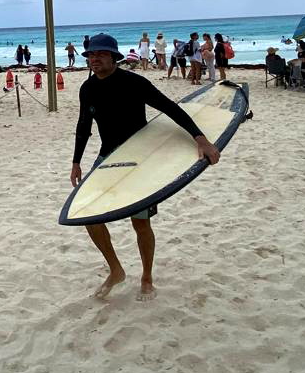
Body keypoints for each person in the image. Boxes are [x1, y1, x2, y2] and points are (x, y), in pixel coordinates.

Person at [70, 33, 220, 301]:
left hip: (140, 159)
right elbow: (84, 126)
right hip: (107, 157)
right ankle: (116, 270)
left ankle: (147, 276)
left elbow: (170, 108)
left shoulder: (134, 83)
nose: (95, 59)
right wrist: (76, 161)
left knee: (140, 223)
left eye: (101, 54)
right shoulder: (88, 88)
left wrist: (201, 139)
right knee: (88, 215)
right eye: (91, 55)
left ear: (114, 57)